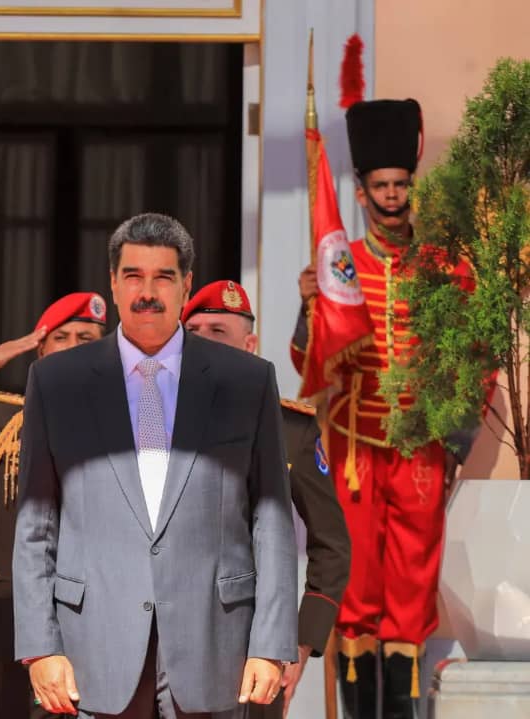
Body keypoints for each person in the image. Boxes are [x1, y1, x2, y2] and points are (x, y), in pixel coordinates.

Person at [13, 212, 298, 718]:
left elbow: (271, 517)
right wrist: (40, 646)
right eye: (133, 276)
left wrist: (271, 643)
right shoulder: (57, 382)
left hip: (217, 649)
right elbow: (37, 524)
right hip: (91, 651)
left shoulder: (245, 380)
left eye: (163, 277)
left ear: (186, 285)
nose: (147, 292)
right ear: (113, 283)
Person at [291, 98, 468, 719]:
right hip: (352, 452)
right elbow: (306, 361)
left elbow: (473, 360)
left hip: (420, 451)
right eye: (381, 186)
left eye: (400, 184)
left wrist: (455, 444)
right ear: (362, 193)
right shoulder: (339, 268)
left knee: (412, 594)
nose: (392, 196)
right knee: (356, 590)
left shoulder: (447, 269)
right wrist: (309, 308)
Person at [183, 280, 351, 719]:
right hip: (166, 645)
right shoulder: (150, 423)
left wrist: (300, 643)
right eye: (193, 331)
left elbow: (332, 544)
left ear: (249, 345)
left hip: (255, 655)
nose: (202, 341)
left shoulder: (289, 429)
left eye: (218, 331)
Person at [0, 292, 107, 719]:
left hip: (104, 612)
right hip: (18, 612)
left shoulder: (130, 419)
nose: (73, 348)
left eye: (86, 339)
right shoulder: (3, 419)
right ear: (40, 350)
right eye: (61, 338)